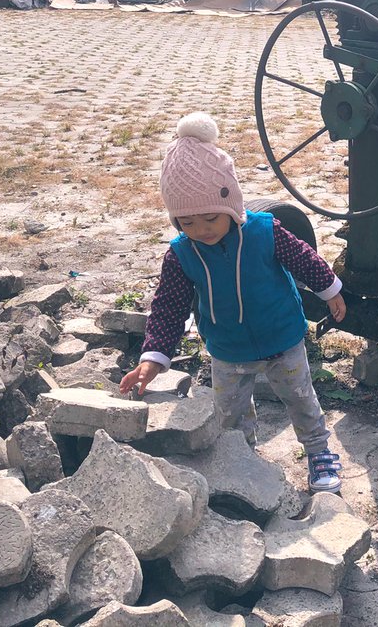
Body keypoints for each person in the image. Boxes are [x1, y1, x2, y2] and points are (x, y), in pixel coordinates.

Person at [119, 112, 348, 493]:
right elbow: (169, 307)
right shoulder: (181, 254)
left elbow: (303, 257)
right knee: (229, 414)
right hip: (227, 350)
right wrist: (153, 358)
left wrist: (330, 288)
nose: (201, 230)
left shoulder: (263, 231)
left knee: (300, 399)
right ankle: (243, 458)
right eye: (187, 223)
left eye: (210, 218)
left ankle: (319, 451)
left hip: (282, 340)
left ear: (231, 204)